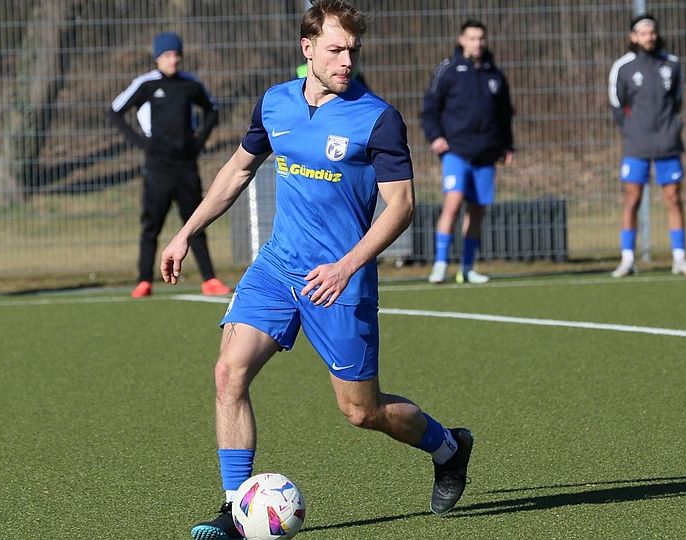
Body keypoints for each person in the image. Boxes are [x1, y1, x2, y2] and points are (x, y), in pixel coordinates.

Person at [159, 2, 473, 538]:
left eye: (353, 50)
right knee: (228, 372)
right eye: (335, 49)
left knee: (362, 411)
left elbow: (401, 207)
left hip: (340, 283)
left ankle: (448, 447)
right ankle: (235, 509)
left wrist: (346, 267)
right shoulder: (275, 103)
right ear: (307, 49)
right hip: (277, 268)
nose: (347, 60)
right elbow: (237, 170)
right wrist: (186, 231)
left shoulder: (377, 118)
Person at [109, 31, 232, 298]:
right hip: (158, 168)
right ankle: (144, 280)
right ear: (157, 58)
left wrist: (197, 143)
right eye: (167, 55)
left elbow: (212, 110)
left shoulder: (190, 84)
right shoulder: (146, 84)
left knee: (195, 222)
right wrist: (143, 144)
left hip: (186, 166)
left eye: (176, 55)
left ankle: (210, 280)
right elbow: (115, 110)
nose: (173, 60)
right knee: (151, 225)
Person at [421, 19, 514, 285]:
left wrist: (507, 145)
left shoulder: (494, 74)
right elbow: (430, 107)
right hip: (456, 150)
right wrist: (435, 136)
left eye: (481, 38)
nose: (477, 43)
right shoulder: (448, 70)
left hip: (486, 153)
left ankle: (467, 267)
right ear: (462, 40)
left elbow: (505, 114)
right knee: (453, 202)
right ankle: (440, 264)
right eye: (472, 38)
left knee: (477, 211)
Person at [608, 14, 686, 277]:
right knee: (632, 198)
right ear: (633, 37)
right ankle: (627, 258)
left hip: (667, 141)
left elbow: (677, 101)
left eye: (652, 32)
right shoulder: (623, 67)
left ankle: (679, 257)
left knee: (673, 198)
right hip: (637, 143)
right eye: (643, 33)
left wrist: (669, 127)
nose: (649, 37)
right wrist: (631, 130)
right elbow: (616, 104)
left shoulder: (672, 64)